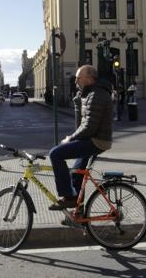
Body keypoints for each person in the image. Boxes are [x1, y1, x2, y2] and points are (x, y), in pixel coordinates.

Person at [48, 65, 113, 210]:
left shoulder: (96, 95)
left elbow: (90, 127)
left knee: (55, 154)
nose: (75, 81)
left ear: (89, 79)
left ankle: (68, 197)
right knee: (77, 174)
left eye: (78, 78)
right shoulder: (90, 93)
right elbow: (84, 125)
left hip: (97, 141)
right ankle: (79, 214)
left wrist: (70, 138)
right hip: (92, 138)